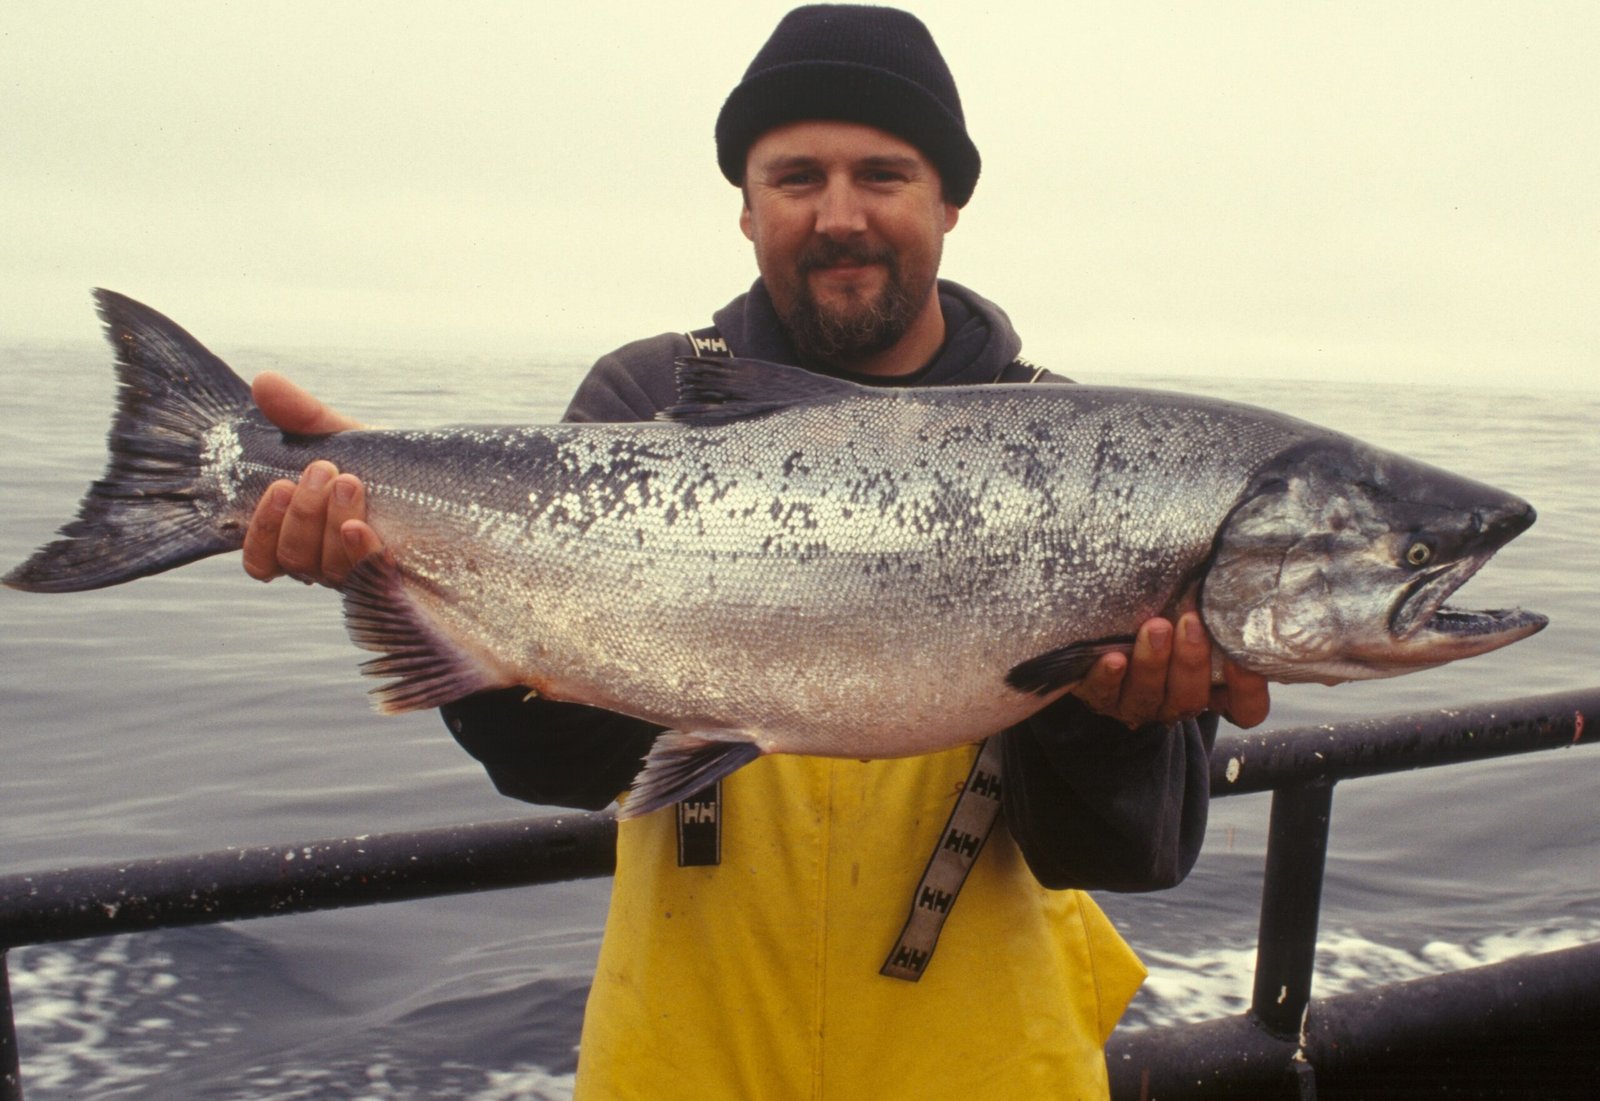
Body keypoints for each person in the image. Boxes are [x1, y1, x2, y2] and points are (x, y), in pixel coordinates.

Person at [241, 6, 1270, 1097]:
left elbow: (1130, 858)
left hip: (986, 1065)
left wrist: (1115, 723)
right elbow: (550, 770)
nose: (839, 217)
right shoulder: (647, 404)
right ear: (744, 206)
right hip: (685, 1059)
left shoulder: (1094, 459)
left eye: (883, 174)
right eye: (795, 178)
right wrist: (384, 548)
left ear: (949, 201)